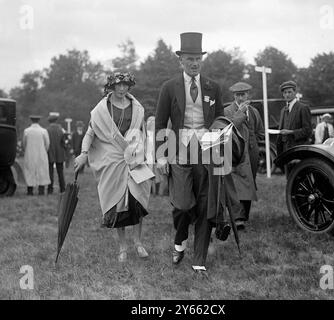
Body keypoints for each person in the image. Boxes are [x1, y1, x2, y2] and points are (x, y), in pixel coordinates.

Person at [155, 32, 225, 276]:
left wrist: (220, 151)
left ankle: (199, 258)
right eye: (189, 59)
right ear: (180, 60)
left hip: (207, 152)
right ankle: (180, 240)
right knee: (183, 205)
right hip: (179, 149)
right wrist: (161, 156)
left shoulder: (213, 87)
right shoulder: (169, 87)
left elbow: (219, 122)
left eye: (198, 58)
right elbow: (160, 122)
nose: (194, 63)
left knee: (206, 204)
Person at [74, 72, 152, 263]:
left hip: (135, 157)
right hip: (112, 160)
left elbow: (143, 133)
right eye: (118, 85)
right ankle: (123, 247)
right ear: (111, 87)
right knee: (118, 204)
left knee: (138, 201)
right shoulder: (102, 109)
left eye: (125, 85)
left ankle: (138, 242)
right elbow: (90, 133)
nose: (122, 89)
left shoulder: (137, 107)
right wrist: (84, 154)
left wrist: (148, 155)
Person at [224, 82, 264, 230]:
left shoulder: (253, 111)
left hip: (252, 153)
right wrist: (240, 112)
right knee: (236, 184)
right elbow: (230, 127)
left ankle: (243, 216)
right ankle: (237, 218)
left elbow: (259, 130)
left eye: (243, 94)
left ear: (248, 95)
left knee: (249, 183)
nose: (241, 97)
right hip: (236, 153)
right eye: (237, 95)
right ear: (233, 96)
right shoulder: (227, 111)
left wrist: (255, 145)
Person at [276, 81, 312, 175]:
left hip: (299, 150)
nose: (287, 95)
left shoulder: (303, 108)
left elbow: (307, 131)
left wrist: (291, 132)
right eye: (285, 93)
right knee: (289, 179)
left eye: (289, 92)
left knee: (301, 178)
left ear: (295, 92)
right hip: (285, 151)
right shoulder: (283, 110)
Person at [23, 115, 51, 195]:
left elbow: (24, 143)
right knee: (41, 171)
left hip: (30, 154)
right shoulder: (43, 131)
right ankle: (41, 190)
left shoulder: (26, 131)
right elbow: (47, 144)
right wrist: (43, 151)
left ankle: (30, 190)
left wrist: (27, 150)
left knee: (29, 171)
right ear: (38, 121)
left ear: (31, 120)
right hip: (41, 154)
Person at [47, 112, 66, 194]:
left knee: (50, 172)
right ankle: (62, 188)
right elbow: (63, 142)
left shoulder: (47, 130)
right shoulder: (60, 129)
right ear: (56, 120)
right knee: (60, 172)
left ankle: (50, 189)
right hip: (60, 153)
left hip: (50, 152)